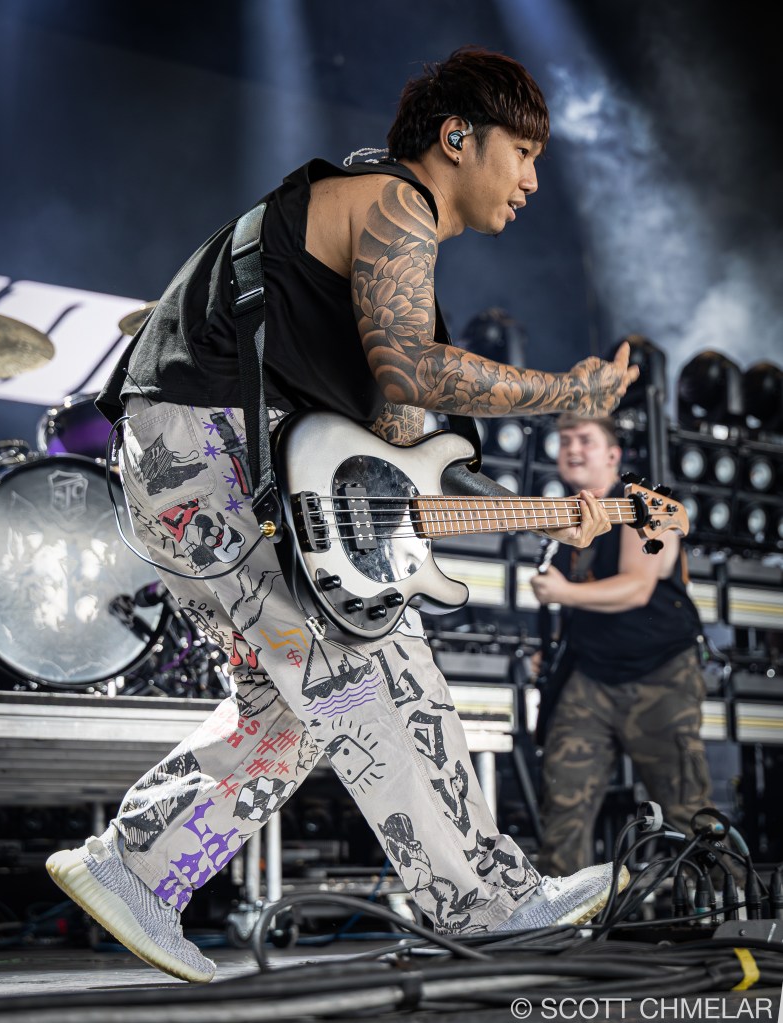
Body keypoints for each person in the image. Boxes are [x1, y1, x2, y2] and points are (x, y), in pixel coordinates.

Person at [46, 47, 639, 983]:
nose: (531, 180)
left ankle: (134, 868)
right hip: (203, 448)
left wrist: (542, 514)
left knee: (294, 708)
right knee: (374, 661)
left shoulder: (390, 264)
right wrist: (566, 392)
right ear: (457, 137)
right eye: (523, 152)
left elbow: (393, 480)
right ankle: (488, 904)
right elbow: (411, 370)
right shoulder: (394, 202)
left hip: (194, 466)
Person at [530, 412, 712, 877]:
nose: (573, 448)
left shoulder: (641, 504)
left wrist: (562, 592)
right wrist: (553, 647)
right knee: (563, 807)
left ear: (614, 455)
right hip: (591, 675)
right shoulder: (569, 516)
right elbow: (585, 597)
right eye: (565, 440)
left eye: (585, 440)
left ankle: (725, 907)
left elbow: (636, 588)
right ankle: (561, 913)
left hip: (659, 674)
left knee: (687, 811)